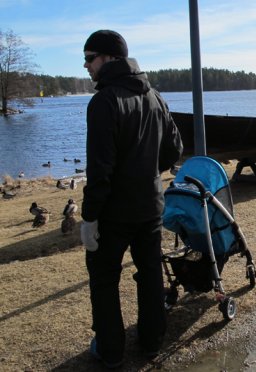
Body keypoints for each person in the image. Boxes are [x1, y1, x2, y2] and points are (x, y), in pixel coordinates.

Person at [80, 29, 183, 368]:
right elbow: (173, 150)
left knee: (105, 279)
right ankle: (151, 341)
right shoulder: (155, 96)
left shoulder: (104, 102)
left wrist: (90, 217)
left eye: (90, 58)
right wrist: (146, 172)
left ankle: (109, 351)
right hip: (150, 206)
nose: (86, 66)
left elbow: (100, 170)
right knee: (150, 271)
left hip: (113, 214)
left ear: (110, 58)